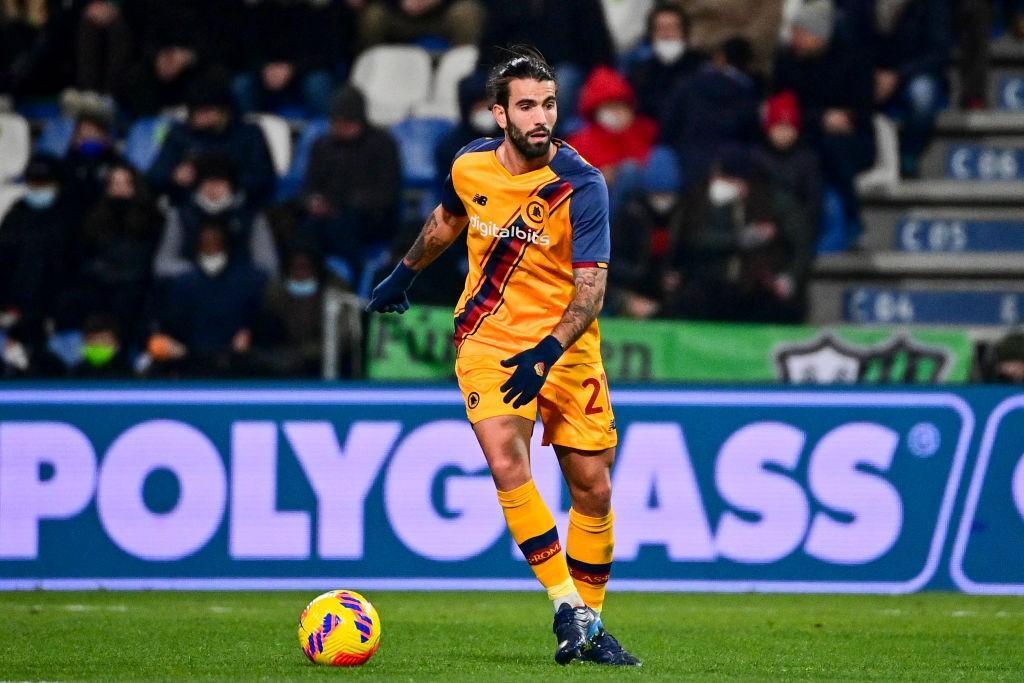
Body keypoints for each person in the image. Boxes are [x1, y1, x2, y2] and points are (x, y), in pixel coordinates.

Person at [366, 46, 640, 667]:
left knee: (592, 489)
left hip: (565, 348)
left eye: (548, 104)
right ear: (499, 115)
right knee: (504, 458)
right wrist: (404, 274)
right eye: (526, 106)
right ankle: (567, 607)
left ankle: (590, 629)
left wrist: (547, 351)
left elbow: (590, 293)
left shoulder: (583, 185)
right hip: (488, 340)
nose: (541, 116)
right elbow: (446, 221)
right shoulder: (470, 167)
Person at [301, 85, 401, 281]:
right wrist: (312, 202)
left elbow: (387, 194)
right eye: (336, 122)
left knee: (343, 226)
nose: (341, 128)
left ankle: (356, 282)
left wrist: (343, 204)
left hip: (369, 218)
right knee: (303, 228)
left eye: (347, 122)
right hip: (326, 216)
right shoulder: (322, 146)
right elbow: (309, 186)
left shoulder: (382, 145)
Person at [146, 76, 277, 207]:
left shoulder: (249, 133)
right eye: (195, 111)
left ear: (224, 111)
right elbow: (155, 176)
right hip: (190, 209)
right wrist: (173, 175)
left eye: (206, 111)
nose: (200, 117)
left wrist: (230, 182)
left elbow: (264, 178)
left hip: (240, 208)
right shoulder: (180, 134)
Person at [625, 2, 706, 119]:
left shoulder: (703, 67)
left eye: (673, 28)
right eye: (660, 28)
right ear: (651, 34)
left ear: (685, 32)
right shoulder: (639, 73)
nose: (666, 34)